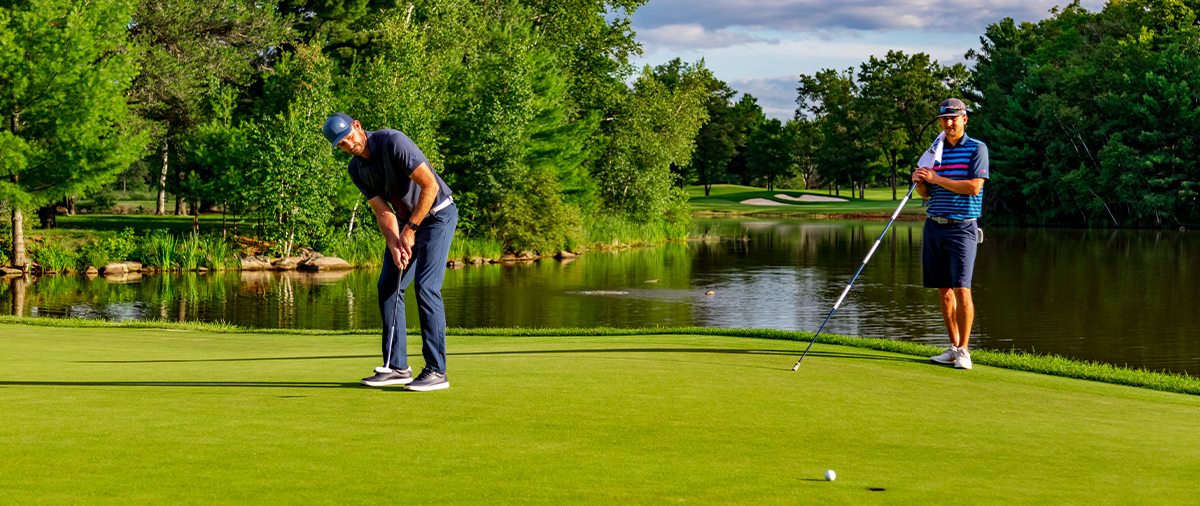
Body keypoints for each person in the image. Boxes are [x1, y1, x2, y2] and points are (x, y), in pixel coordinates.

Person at [322, 113, 457, 391]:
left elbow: (430, 185)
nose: (349, 145)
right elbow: (382, 211)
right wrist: (396, 243)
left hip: (438, 215)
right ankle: (397, 367)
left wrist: (410, 230)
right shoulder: (356, 169)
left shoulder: (393, 141)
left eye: (348, 137)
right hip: (408, 222)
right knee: (388, 286)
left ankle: (436, 371)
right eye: (341, 145)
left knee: (426, 287)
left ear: (357, 126)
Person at [912, 98, 989, 370]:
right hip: (934, 225)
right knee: (944, 291)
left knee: (961, 288)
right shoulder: (936, 150)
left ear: (964, 118)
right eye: (944, 119)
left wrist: (936, 178)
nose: (949, 123)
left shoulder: (976, 148)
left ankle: (965, 351)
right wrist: (920, 180)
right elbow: (927, 194)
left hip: (962, 228)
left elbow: (973, 187)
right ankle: (954, 347)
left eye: (954, 118)